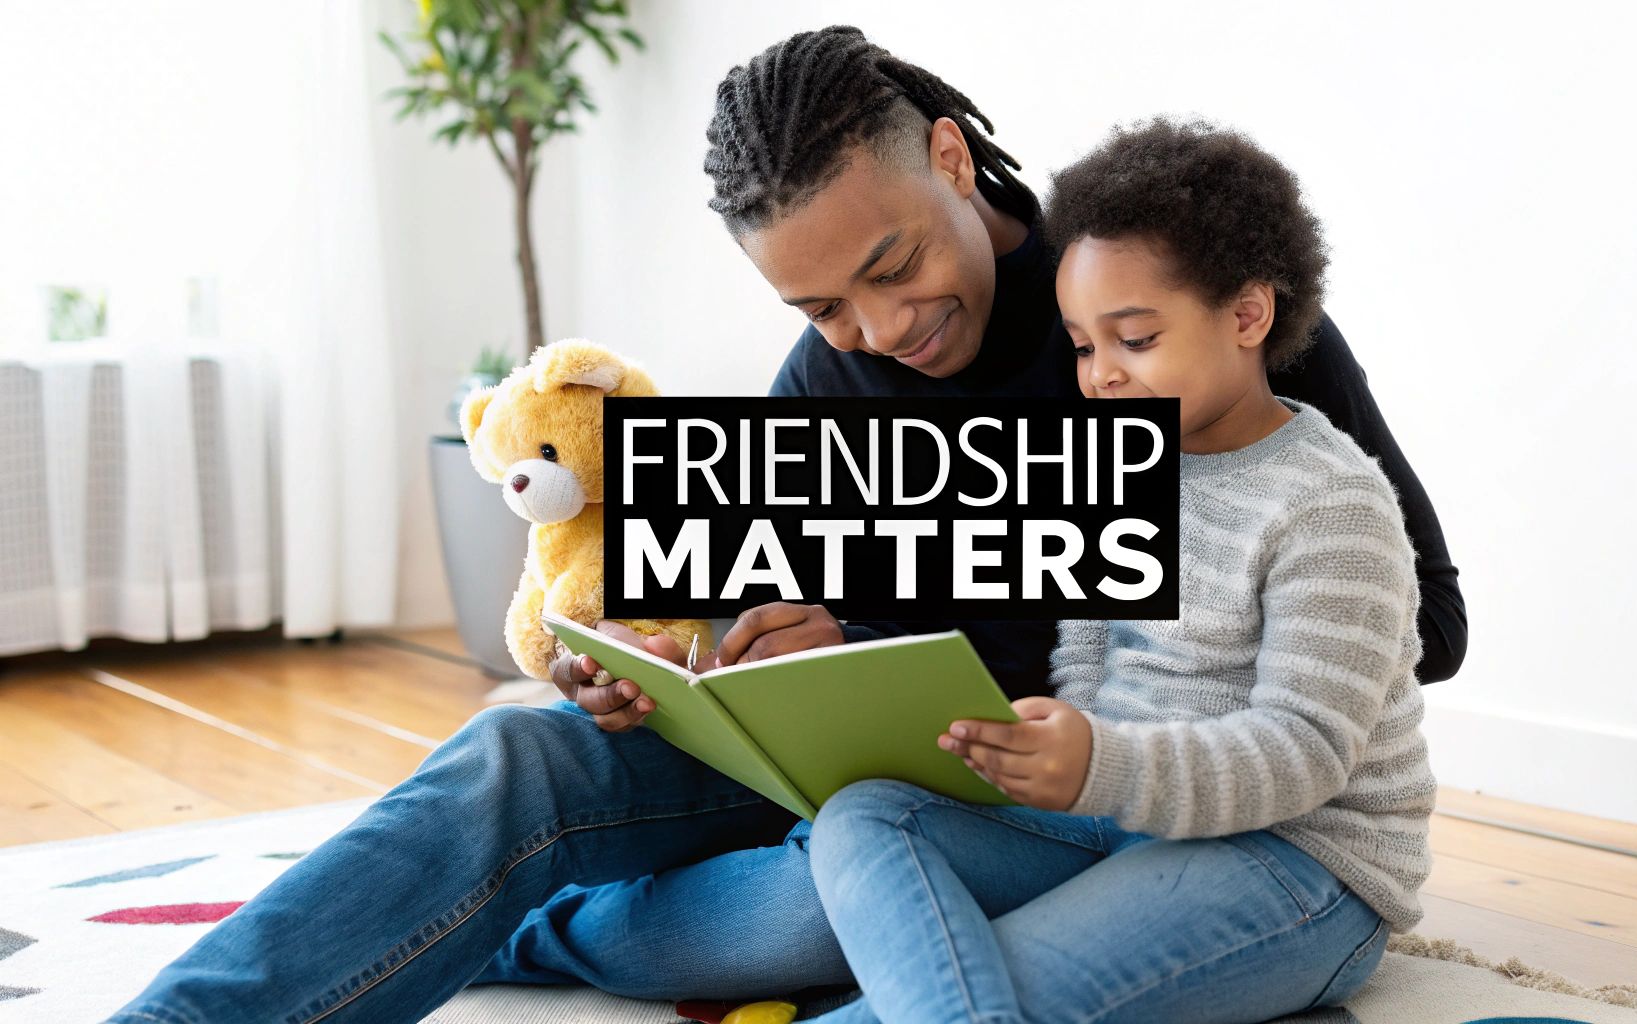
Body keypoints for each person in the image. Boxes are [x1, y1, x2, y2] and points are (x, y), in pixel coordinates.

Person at [109, 26, 1459, 1023]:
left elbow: (1426, 630)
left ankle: (519, 923)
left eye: (892, 266)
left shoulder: (1151, 303)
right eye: (819, 309)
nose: (879, 333)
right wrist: (655, 657)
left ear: (947, 159)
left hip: (1058, 792)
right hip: (870, 783)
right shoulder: (829, 381)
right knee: (524, 750)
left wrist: (946, 596)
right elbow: (741, 610)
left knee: (784, 917)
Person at [804, 117, 1434, 1023]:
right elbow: (1088, 661)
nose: (1098, 376)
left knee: (970, 984)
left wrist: (1098, 762)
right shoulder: (1125, 466)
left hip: (1301, 861)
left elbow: (1304, 754)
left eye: (1133, 340)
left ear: (1247, 314)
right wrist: (1053, 753)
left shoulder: (1330, 504)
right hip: (1127, 823)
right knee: (863, 817)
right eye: (1084, 345)